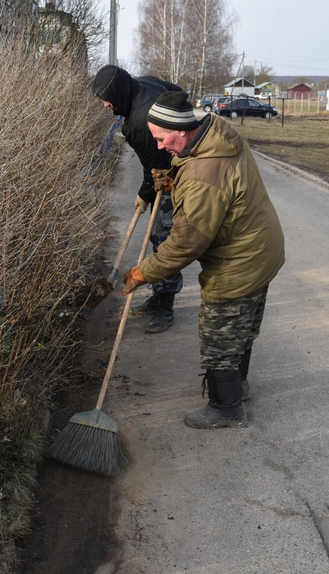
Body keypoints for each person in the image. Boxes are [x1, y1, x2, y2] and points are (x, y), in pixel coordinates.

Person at [122, 91, 285, 429]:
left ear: (181, 130)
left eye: (162, 138)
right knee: (239, 328)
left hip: (240, 258)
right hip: (261, 247)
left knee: (219, 333)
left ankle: (226, 408)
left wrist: (143, 273)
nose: (161, 146)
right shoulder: (211, 131)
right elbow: (202, 174)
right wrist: (174, 180)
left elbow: (185, 243)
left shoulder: (203, 175)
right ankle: (237, 387)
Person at [91, 65, 184, 333]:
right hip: (172, 162)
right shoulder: (143, 83)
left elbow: (153, 168)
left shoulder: (140, 122)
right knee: (158, 236)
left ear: (119, 93)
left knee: (166, 239)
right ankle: (159, 297)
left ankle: (165, 307)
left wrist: (144, 195)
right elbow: (177, 92)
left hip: (175, 175)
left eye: (107, 99)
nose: (105, 104)